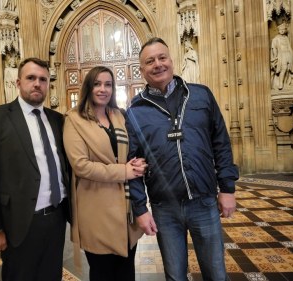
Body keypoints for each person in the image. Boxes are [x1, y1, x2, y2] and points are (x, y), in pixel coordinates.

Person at [125, 37, 239, 281]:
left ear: (172, 61)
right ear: (142, 70)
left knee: (216, 274)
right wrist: (139, 208)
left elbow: (221, 142)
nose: (158, 64)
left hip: (204, 202)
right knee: (175, 276)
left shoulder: (200, 95)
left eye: (162, 57)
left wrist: (227, 187)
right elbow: (132, 165)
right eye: (150, 61)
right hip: (164, 208)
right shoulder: (135, 110)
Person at [0, 57, 71, 281]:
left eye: (43, 79)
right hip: (18, 221)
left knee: (51, 276)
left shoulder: (57, 120)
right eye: (31, 78)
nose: (37, 83)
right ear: (18, 83)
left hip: (56, 218)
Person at [63, 66, 146, 281]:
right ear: (88, 88)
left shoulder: (118, 115)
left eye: (108, 84)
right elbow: (81, 165)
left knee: (126, 272)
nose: (103, 89)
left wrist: (136, 164)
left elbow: (128, 152)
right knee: (102, 273)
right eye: (97, 84)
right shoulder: (74, 119)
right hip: (96, 209)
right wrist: (124, 171)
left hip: (125, 211)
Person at [270, 22, 293, 90]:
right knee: (283, 68)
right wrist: (275, 56)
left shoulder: (286, 38)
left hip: (288, 54)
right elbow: (274, 48)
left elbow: (289, 47)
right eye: (281, 29)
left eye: (283, 29)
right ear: (278, 30)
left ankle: (286, 83)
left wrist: (291, 55)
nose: (282, 31)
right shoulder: (276, 39)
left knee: (288, 69)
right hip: (281, 55)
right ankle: (280, 83)